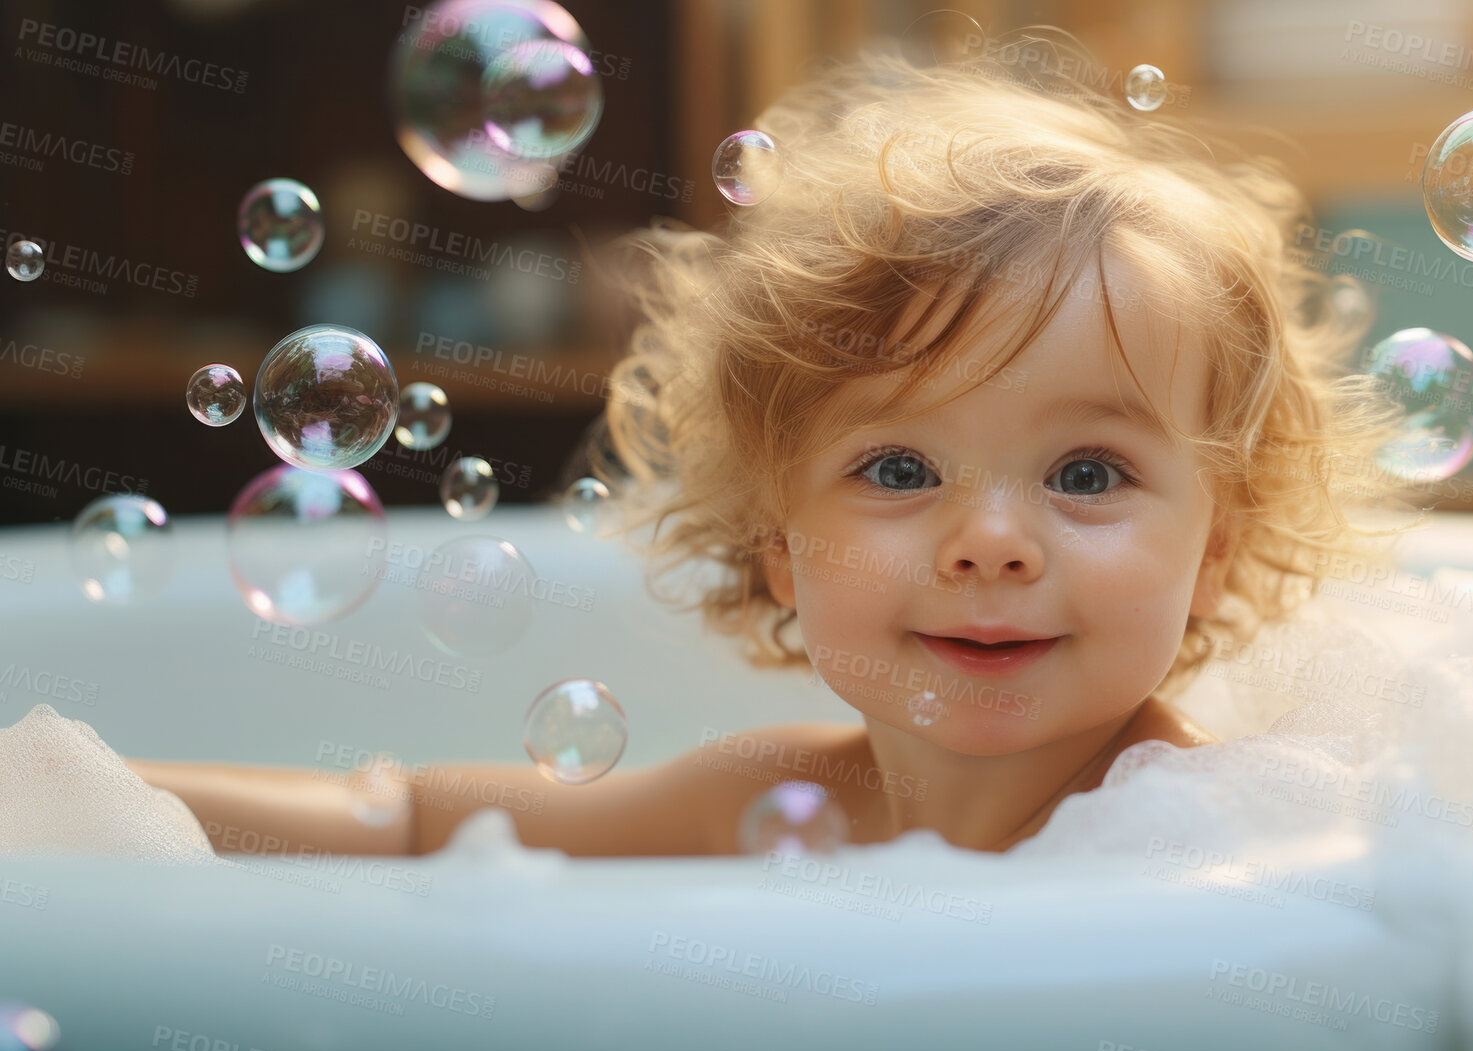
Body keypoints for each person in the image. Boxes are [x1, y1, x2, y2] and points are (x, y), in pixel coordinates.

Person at [130, 37, 1406, 859]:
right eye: (898, 471)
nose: (991, 545)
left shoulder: (1233, 839)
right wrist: (96, 797)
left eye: (1086, 475)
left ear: (1216, 548)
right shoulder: (775, 799)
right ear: (775, 544)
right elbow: (414, 825)